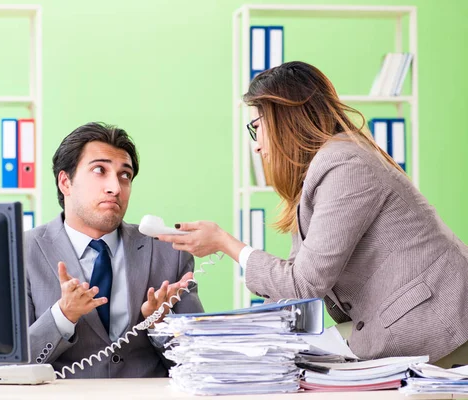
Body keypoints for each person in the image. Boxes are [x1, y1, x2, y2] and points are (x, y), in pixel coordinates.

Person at [157, 61, 468, 367]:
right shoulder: (324, 170)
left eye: (256, 127)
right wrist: (239, 336)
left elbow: (304, 284)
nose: (257, 146)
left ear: (283, 119)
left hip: (440, 322)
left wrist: (226, 243)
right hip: (410, 319)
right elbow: (294, 282)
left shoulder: (345, 165)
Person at [25, 122, 203, 378]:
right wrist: (62, 317)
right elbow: (1, 369)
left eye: (125, 175)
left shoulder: (171, 253)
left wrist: (161, 325)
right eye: (100, 170)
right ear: (65, 182)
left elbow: (201, 366)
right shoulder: (23, 251)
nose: (115, 188)